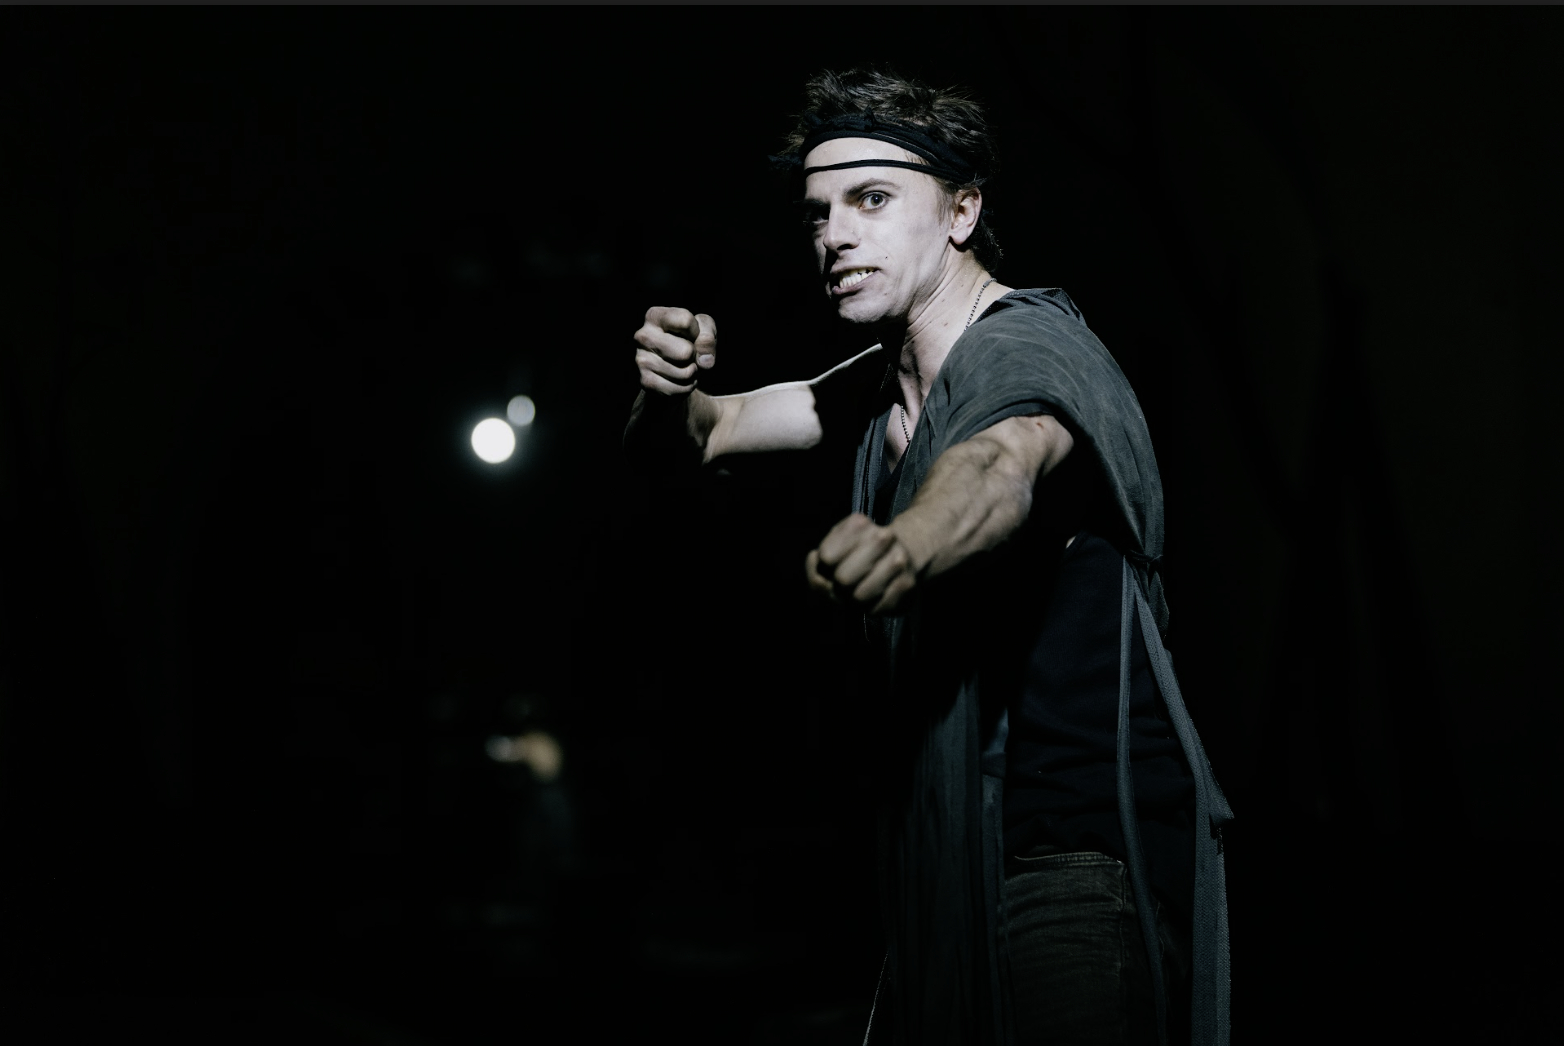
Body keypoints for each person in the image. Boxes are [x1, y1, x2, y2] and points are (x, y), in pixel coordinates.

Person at [624, 69, 1232, 1046]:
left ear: (962, 211)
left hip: (1073, 861)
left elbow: (1003, 461)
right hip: (947, 874)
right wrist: (670, 388)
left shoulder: (1030, 347)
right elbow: (706, 433)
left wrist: (907, 543)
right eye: (818, 212)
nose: (834, 235)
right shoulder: (877, 389)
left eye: (870, 199)